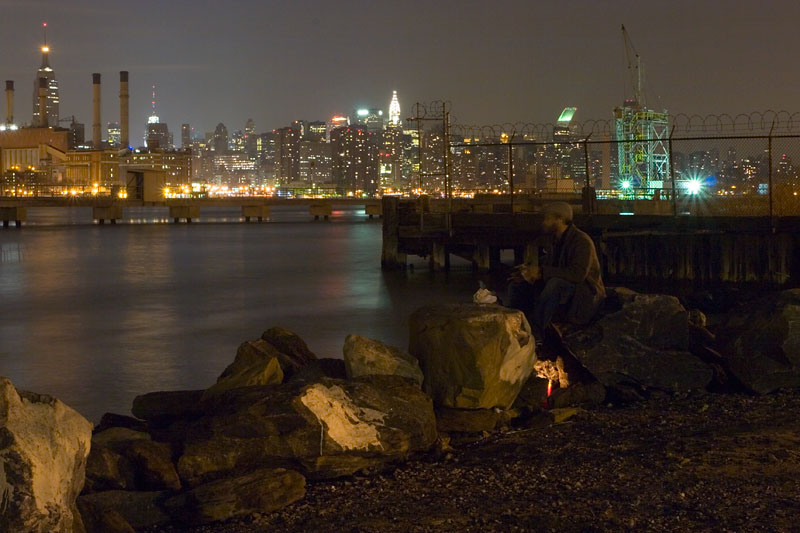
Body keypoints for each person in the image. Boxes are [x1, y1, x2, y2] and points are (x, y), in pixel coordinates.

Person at [507, 201, 605, 339]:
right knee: (517, 285)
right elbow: (550, 265)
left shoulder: (581, 241)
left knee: (555, 284)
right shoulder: (555, 239)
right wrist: (527, 272)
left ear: (559, 219)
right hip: (566, 287)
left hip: (585, 293)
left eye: (547, 218)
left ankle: (538, 331)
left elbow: (577, 275)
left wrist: (541, 271)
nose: (543, 222)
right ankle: (514, 326)